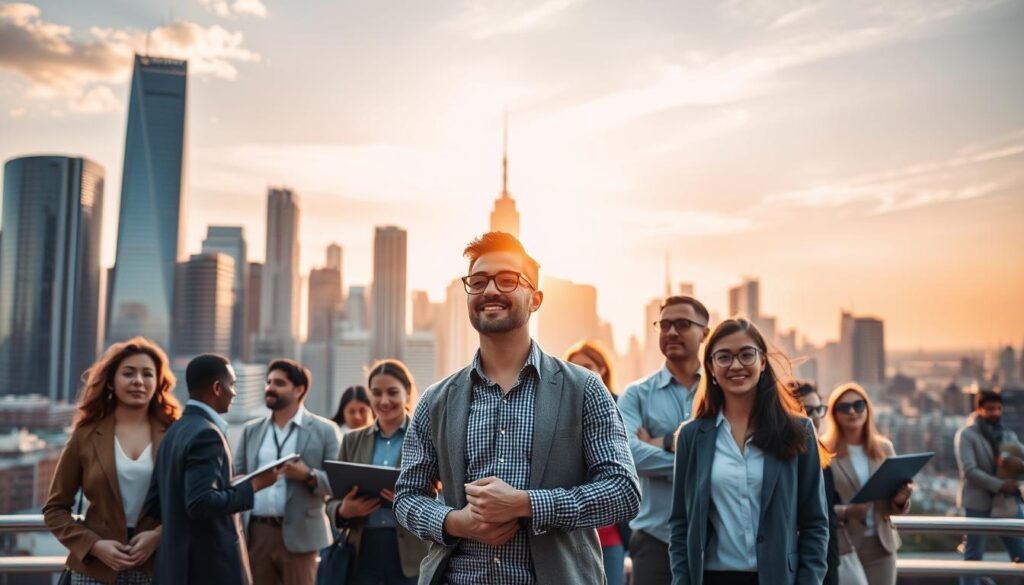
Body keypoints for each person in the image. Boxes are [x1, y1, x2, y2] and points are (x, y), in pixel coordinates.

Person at [394, 231, 640, 585]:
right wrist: (454, 522)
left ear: (535, 299)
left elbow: (622, 492)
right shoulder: (436, 400)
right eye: (477, 282)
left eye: (507, 280)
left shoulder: (584, 389)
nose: (490, 290)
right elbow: (407, 497)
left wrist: (526, 504)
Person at [669, 318, 828, 585]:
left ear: (763, 362)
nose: (735, 365)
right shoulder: (691, 437)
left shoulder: (799, 431)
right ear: (711, 366)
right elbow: (680, 524)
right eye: (724, 357)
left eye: (746, 355)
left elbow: (815, 524)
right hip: (711, 578)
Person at [44, 338, 181, 585]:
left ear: (158, 383)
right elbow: (55, 509)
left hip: (158, 567)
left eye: (147, 374)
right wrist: (94, 545)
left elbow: (191, 504)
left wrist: (159, 536)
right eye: (128, 373)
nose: (138, 381)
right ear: (110, 382)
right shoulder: (85, 434)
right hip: (95, 570)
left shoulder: (175, 434)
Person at [142, 354, 280, 585]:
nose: (234, 393)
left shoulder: (175, 432)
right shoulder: (208, 435)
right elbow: (200, 503)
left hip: (173, 569)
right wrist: (254, 485)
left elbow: (155, 503)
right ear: (217, 388)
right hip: (208, 571)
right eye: (232, 385)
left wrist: (227, 486)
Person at [618, 295, 709, 585]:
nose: (671, 332)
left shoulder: (721, 391)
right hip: (656, 540)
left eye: (682, 324)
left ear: (705, 333)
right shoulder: (636, 394)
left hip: (716, 539)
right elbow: (627, 454)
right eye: (665, 324)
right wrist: (696, 465)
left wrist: (663, 442)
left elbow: (735, 450)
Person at [233, 359, 342, 585]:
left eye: (279, 383)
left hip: (301, 535)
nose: (270, 388)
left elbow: (338, 483)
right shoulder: (250, 430)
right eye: (269, 382)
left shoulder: (325, 430)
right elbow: (236, 478)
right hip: (256, 534)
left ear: (299, 390)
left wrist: (309, 476)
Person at [326, 360, 429, 585]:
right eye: (376, 393)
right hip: (362, 551)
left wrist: (411, 503)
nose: (384, 401)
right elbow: (331, 501)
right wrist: (344, 510)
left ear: (407, 392)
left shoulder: (426, 438)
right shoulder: (352, 440)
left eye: (392, 392)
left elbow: (445, 496)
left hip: (411, 551)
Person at [822, 382, 911, 585]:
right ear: (834, 414)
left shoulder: (884, 448)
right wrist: (847, 511)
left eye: (858, 405)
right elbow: (816, 507)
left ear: (868, 409)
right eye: (844, 407)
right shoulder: (825, 451)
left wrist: (899, 501)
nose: (852, 411)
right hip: (844, 546)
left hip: (881, 546)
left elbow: (893, 510)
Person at [564, 339, 631, 585]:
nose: (581, 374)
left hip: (611, 535)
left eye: (588, 366)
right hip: (570, 533)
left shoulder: (619, 405)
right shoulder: (560, 414)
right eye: (574, 368)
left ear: (603, 368)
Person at [955, 390, 1024, 585]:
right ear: (979, 409)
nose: (995, 412)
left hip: (1006, 503)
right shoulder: (966, 435)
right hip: (979, 502)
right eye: (990, 409)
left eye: (998, 408)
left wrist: (1016, 465)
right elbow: (969, 471)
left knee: (1021, 553)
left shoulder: (1008, 434)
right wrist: (1000, 485)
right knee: (973, 558)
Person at [790, 381, 838, 585]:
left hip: (826, 561)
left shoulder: (823, 457)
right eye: (808, 410)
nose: (816, 417)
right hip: (801, 567)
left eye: (819, 409)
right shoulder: (787, 460)